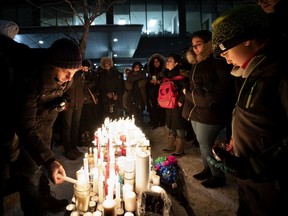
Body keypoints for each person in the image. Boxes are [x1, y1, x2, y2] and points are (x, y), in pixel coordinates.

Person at [210, 5, 288, 215]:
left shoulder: (278, 71)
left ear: (246, 38)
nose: (226, 60)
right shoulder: (252, 71)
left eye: (225, 51)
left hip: (272, 187)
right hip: (251, 183)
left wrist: (254, 166)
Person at [15, 38, 82, 215]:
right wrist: (49, 160)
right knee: (30, 176)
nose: (69, 78)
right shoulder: (31, 81)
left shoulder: (66, 79)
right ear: (53, 65)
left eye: (74, 72)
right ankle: (34, 210)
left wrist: (61, 102)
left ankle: (45, 199)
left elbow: (55, 98)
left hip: (46, 128)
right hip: (28, 136)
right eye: (66, 72)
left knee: (43, 171)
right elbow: (25, 126)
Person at [181, 30, 235, 188]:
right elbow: (192, 85)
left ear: (208, 43)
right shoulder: (196, 63)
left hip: (210, 110)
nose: (195, 48)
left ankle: (218, 175)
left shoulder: (217, 61)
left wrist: (194, 95)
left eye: (198, 44)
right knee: (201, 142)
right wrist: (187, 91)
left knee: (206, 143)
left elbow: (221, 88)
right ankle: (208, 169)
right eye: (193, 46)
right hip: (195, 108)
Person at [58, 60, 87, 160]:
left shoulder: (81, 74)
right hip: (68, 102)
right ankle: (68, 149)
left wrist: (83, 98)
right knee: (66, 126)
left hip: (78, 102)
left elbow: (84, 87)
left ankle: (74, 147)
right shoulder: (68, 73)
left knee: (75, 125)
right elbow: (62, 87)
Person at [162, 53, 188, 157]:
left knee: (179, 125)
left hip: (177, 104)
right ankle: (171, 145)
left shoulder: (180, 76)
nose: (167, 62)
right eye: (167, 60)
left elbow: (185, 89)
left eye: (170, 61)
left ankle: (180, 148)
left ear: (176, 63)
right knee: (171, 124)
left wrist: (180, 100)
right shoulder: (166, 75)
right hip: (168, 104)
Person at [79, 59, 102, 146]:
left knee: (89, 119)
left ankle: (89, 136)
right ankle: (82, 137)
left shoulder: (92, 75)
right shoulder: (79, 75)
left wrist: (86, 85)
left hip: (89, 101)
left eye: (86, 68)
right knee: (82, 120)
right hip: (81, 101)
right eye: (83, 67)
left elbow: (95, 85)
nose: (85, 69)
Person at [97, 56, 124, 120]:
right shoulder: (101, 74)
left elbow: (120, 85)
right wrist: (106, 93)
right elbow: (100, 86)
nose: (106, 64)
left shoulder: (116, 73)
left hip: (116, 98)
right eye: (104, 63)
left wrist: (117, 94)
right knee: (106, 115)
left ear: (110, 63)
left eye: (107, 63)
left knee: (116, 114)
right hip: (106, 98)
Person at [146, 54, 166, 129]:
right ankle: (155, 122)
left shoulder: (164, 71)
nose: (156, 63)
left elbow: (166, 80)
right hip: (152, 92)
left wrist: (160, 81)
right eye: (154, 62)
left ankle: (162, 122)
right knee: (153, 108)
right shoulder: (151, 72)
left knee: (161, 108)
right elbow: (147, 82)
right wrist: (150, 81)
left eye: (157, 61)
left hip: (162, 93)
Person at [124, 61, 147, 126]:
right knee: (131, 109)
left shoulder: (142, 75)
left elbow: (142, 83)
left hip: (140, 95)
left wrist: (134, 82)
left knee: (139, 110)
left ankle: (139, 123)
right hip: (131, 95)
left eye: (138, 67)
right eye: (135, 67)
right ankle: (132, 124)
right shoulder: (130, 75)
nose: (136, 68)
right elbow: (127, 85)